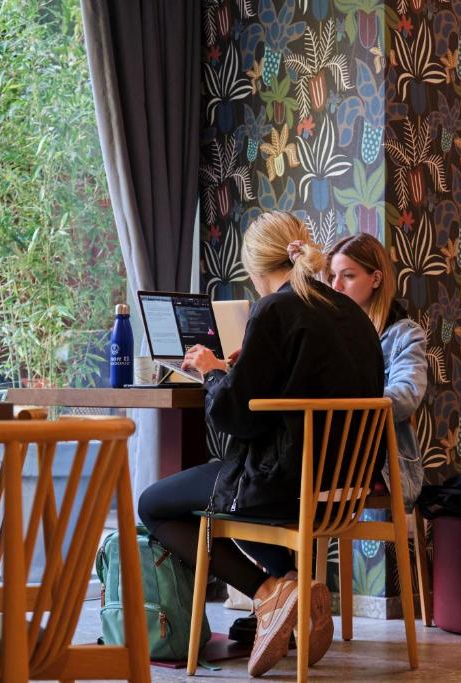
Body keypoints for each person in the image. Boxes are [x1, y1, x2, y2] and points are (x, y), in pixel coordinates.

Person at [138, 212, 384, 677]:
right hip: (342, 487)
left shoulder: (273, 309)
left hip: (285, 483)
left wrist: (212, 370)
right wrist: (246, 365)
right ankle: (293, 583)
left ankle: (269, 590)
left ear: (252, 269)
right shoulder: (351, 312)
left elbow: (236, 417)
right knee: (227, 493)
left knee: (154, 505)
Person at [326, 233, 428, 510]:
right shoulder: (330, 334)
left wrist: (348, 401)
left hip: (377, 459)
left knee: (281, 479)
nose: (336, 286)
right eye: (331, 277)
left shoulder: (405, 335)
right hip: (333, 450)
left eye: (347, 275)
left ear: (376, 279)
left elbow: (406, 396)